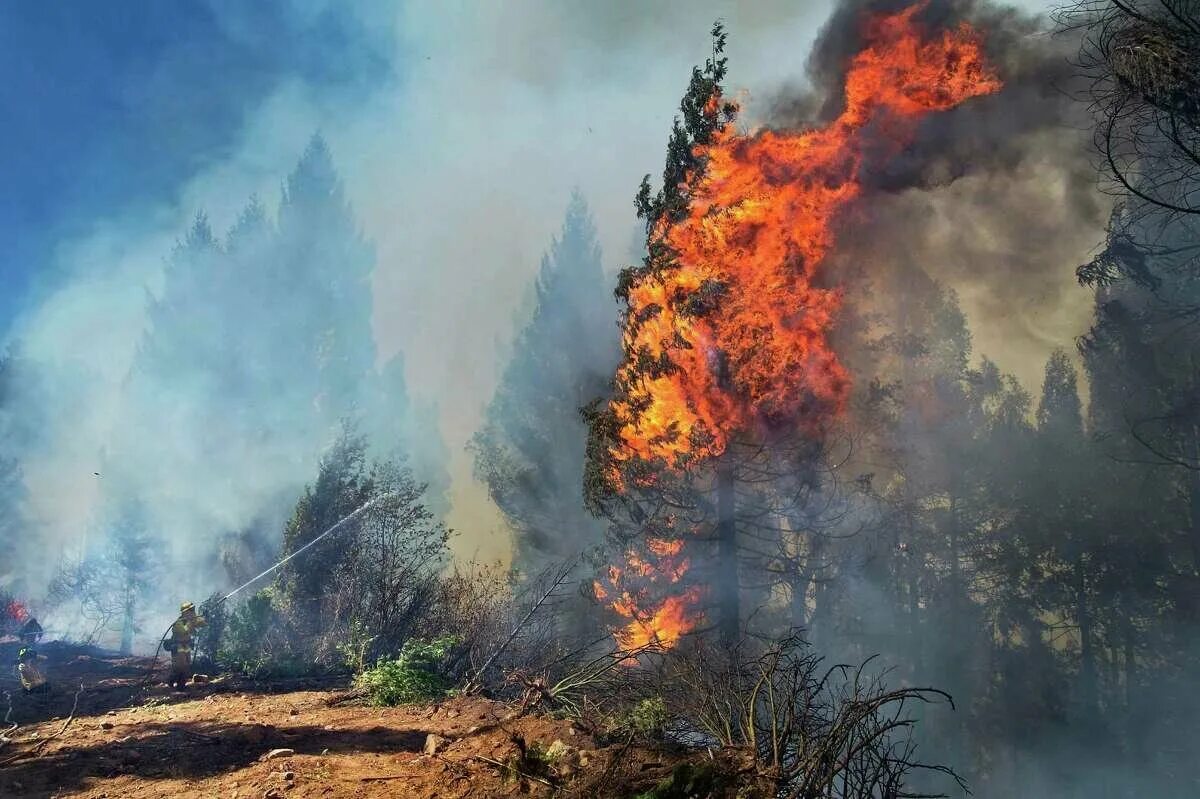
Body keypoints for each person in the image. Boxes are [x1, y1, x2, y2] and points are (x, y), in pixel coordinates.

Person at [166, 601, 206, 690]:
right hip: (178, 646)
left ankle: (181, 685)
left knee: (186, 666)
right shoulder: (178, 623)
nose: (192, 612)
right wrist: (192, 621)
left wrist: (205, 616)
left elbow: (203, 624)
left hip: (187, 646)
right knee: (179, 666)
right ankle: (171, 680)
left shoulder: (191, 620)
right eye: (190, 610)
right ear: (185, 612)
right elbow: (184, 631)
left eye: (193, 610)